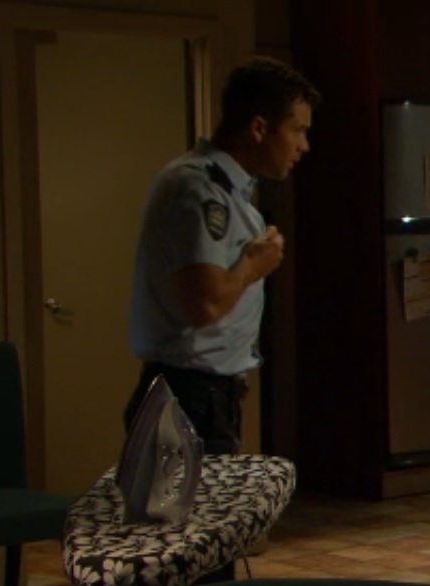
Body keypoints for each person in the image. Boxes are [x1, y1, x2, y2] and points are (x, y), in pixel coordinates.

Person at [124, 58, 320, 454]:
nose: (304, 146)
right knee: (190, 498)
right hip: (189, 396)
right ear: (259, 128)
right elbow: (206, 304)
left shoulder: (230, 191)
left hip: (207, 394)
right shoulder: (199, 190)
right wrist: (253, 265)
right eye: (297, 130)